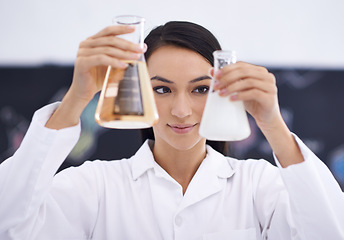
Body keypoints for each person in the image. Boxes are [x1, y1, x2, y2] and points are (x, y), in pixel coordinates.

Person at [0, 21, 343, 240]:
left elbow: (330, 233)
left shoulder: (258, 185)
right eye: (162, 89)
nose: (181, 110)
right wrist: (76, 98)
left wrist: (272, 123)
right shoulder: (95, 186)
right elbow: (8, 227)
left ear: (223, 90)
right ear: (139, 92)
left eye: (200, 89)